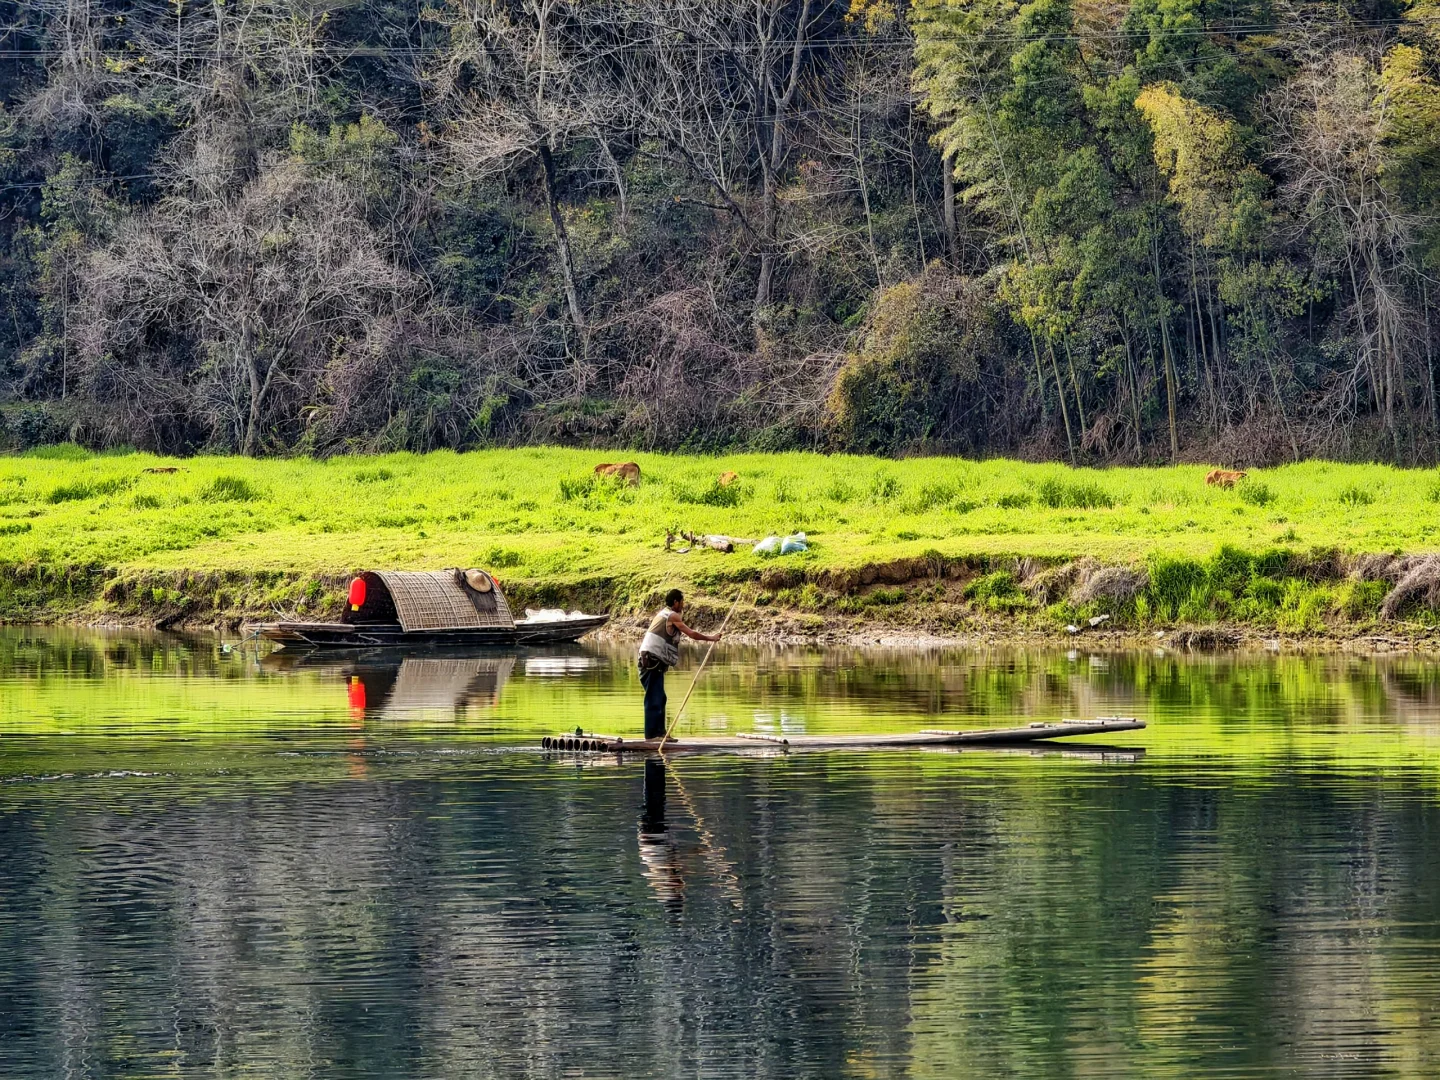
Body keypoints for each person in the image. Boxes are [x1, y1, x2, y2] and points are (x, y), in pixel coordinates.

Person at [637, 588, 722, 740]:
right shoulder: (672, 615)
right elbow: (692, 634)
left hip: (652, 661)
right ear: (675, 602)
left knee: (660, 697)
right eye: (682, 601)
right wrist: (712, 638)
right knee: (654, 697)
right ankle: (652, 736)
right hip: (650, 661)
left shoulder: (663, 613)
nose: (683, 604)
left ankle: (660, 733)